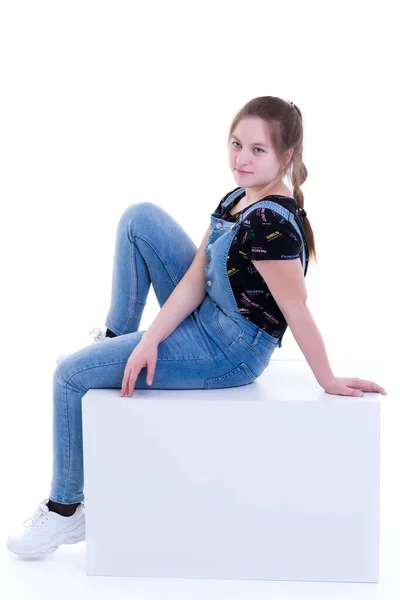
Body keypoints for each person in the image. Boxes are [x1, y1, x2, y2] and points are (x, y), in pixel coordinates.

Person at [6, 95, 386, 559]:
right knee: (139, 218)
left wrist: (327, 379)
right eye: (236, 144)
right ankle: (111, 343)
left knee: (68, 379)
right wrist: (145, 340)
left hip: (230, 350)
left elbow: (297, 309)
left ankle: (65, 512)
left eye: (258, 150)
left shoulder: (269, 222)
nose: (241, 159)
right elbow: (192, 281)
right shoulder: (237, 199)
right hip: (209, 312)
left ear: (287, 156)